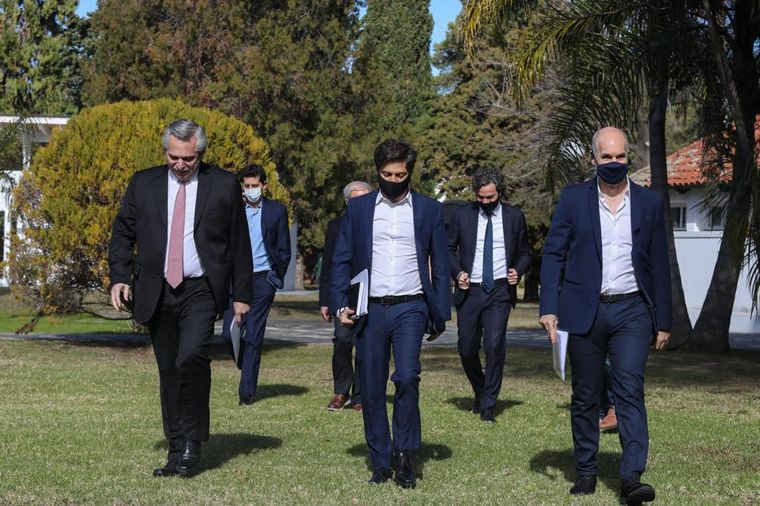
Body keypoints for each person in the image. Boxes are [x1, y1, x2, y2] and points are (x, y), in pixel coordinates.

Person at [108, 119, 252, 477]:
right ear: (166, 152)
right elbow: (123, 232)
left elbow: (238, 241)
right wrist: (119, 277)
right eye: (174, 157)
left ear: (200, 153)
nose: (180, 165)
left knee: (192, 357)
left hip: (200, 289)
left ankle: (192, 443)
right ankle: (175, 447)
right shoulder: (144, 183)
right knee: (169, 368)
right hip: (157, 289)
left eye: (188, 158)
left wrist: (242, 295)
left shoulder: (223, 183)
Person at [539, 127, 671, 504]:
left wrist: (664, 320)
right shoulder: (574, 199)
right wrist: (548, 307)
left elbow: (659, 262)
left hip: (632, 309)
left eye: (620, 156)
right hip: (585, 310)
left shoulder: (649, 202)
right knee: (585, 393)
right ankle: (586, 471)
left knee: (630, 390)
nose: (614, 162)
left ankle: (632, 477)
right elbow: (553, 254)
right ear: (593, 159)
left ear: (629, 156)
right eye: (607, 157)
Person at [330, 139, 450, 488]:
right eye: (387, 174)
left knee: (408, 376)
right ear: (377, 172)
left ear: (409, 172)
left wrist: (440, 313)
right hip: (370, 309)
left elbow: (441, 264)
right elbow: (341, 260)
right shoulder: (359, 209)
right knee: (370, 386)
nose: (394, 180)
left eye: (400, 175)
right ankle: (381, 461)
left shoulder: (429, 209)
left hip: (411, 306)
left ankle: (404, 454)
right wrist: (340, 305)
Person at [447, 167, 531, 423]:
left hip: (499, 291)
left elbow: (525, 253)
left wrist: (518, 270)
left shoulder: (514, 217)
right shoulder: (462, 215)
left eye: (490, 197)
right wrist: (458, 273)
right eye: (480, 197)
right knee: (466, 349)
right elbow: (447, 250)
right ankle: (481, 389)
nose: (485, 202)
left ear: (499, 193)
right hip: (469, 291)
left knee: (494, 347)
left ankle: (488, 406)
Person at [222, 164, 291, 406]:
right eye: (247, 186)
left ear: (264, 186)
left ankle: (246, 392)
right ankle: (245, 359)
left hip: (263, 278)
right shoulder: (233, 210)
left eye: (254, 185)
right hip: (235, 277)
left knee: (253, 333)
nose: (250, 189)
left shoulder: (277, 211)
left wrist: (274, 275)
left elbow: (283, 248)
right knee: (228, 332)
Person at [319, 181, 372, 412]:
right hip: (343, 293)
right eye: (356, 200)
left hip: (371, 292)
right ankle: (341, 391)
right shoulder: (336, 226)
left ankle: (361, 395)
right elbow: (329, 265)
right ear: (347, 202)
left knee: (366, 344)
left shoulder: (377, 225)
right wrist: (325, 301)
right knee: (342, 340)